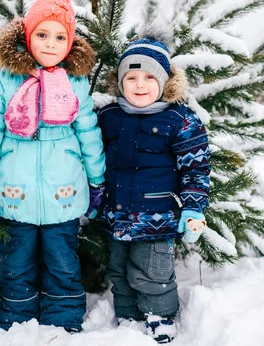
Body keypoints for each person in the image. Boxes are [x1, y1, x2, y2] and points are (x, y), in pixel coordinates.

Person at [0, 0, 106, 333]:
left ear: (70, 41)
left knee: (62, 260)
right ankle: (17, 316)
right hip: (16, 189)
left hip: (64, 189)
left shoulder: (75, 83)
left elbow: (88, 132)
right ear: (27, 36)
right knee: (17, 260)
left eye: (60, 37)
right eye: (42, 34)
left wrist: (97, 179)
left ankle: (64, 318)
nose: (51, 44)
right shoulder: (5, 80)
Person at [98, 37, 211, 343]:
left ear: (164, 82)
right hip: (117, 215)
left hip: (157, 217)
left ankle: (160, 317)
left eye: (149, 77)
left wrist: (192, 206)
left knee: (152, 272)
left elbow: (195, 168)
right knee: (119, 272)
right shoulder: (109, 117)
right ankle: (127, 316)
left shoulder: (180, 119)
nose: (140, 85)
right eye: (131, 78)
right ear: (120, 83)